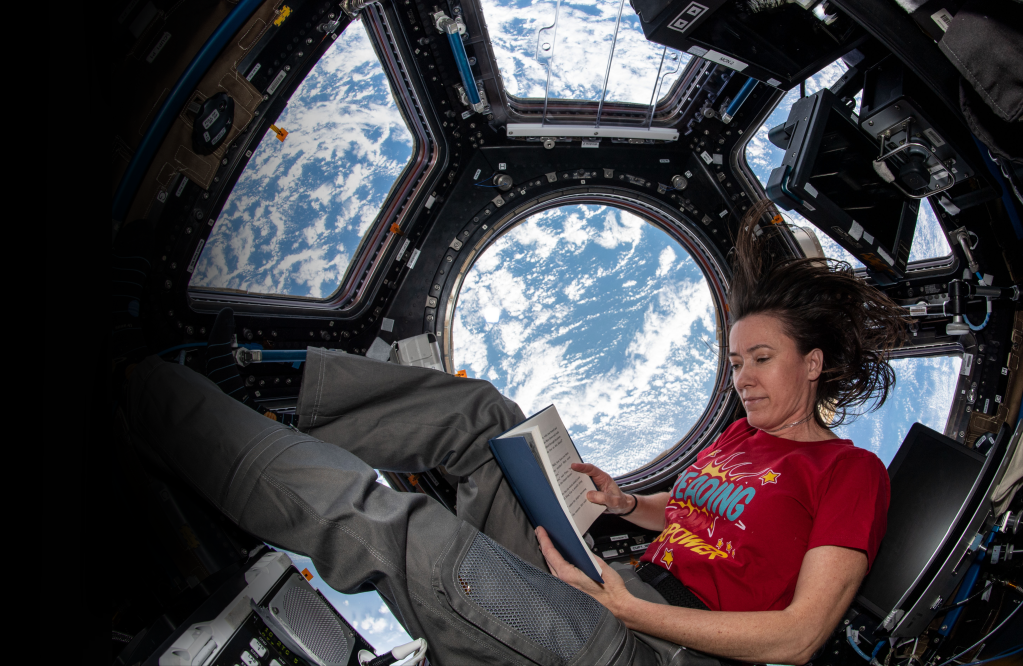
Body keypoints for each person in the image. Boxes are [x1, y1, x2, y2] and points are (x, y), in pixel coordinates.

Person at [123, 200, 906, 665]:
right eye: (734, 362)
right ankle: (276, 399)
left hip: (652, 648)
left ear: (812, 364)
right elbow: (698, 514)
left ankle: (141, 392)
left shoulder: (848, 472)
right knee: (487, 417)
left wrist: (626, 611)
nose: (740, 378)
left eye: (760, 359)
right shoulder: (740, 444)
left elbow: (797, 639)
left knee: (398, 528)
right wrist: (621, 499)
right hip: (614, 588)